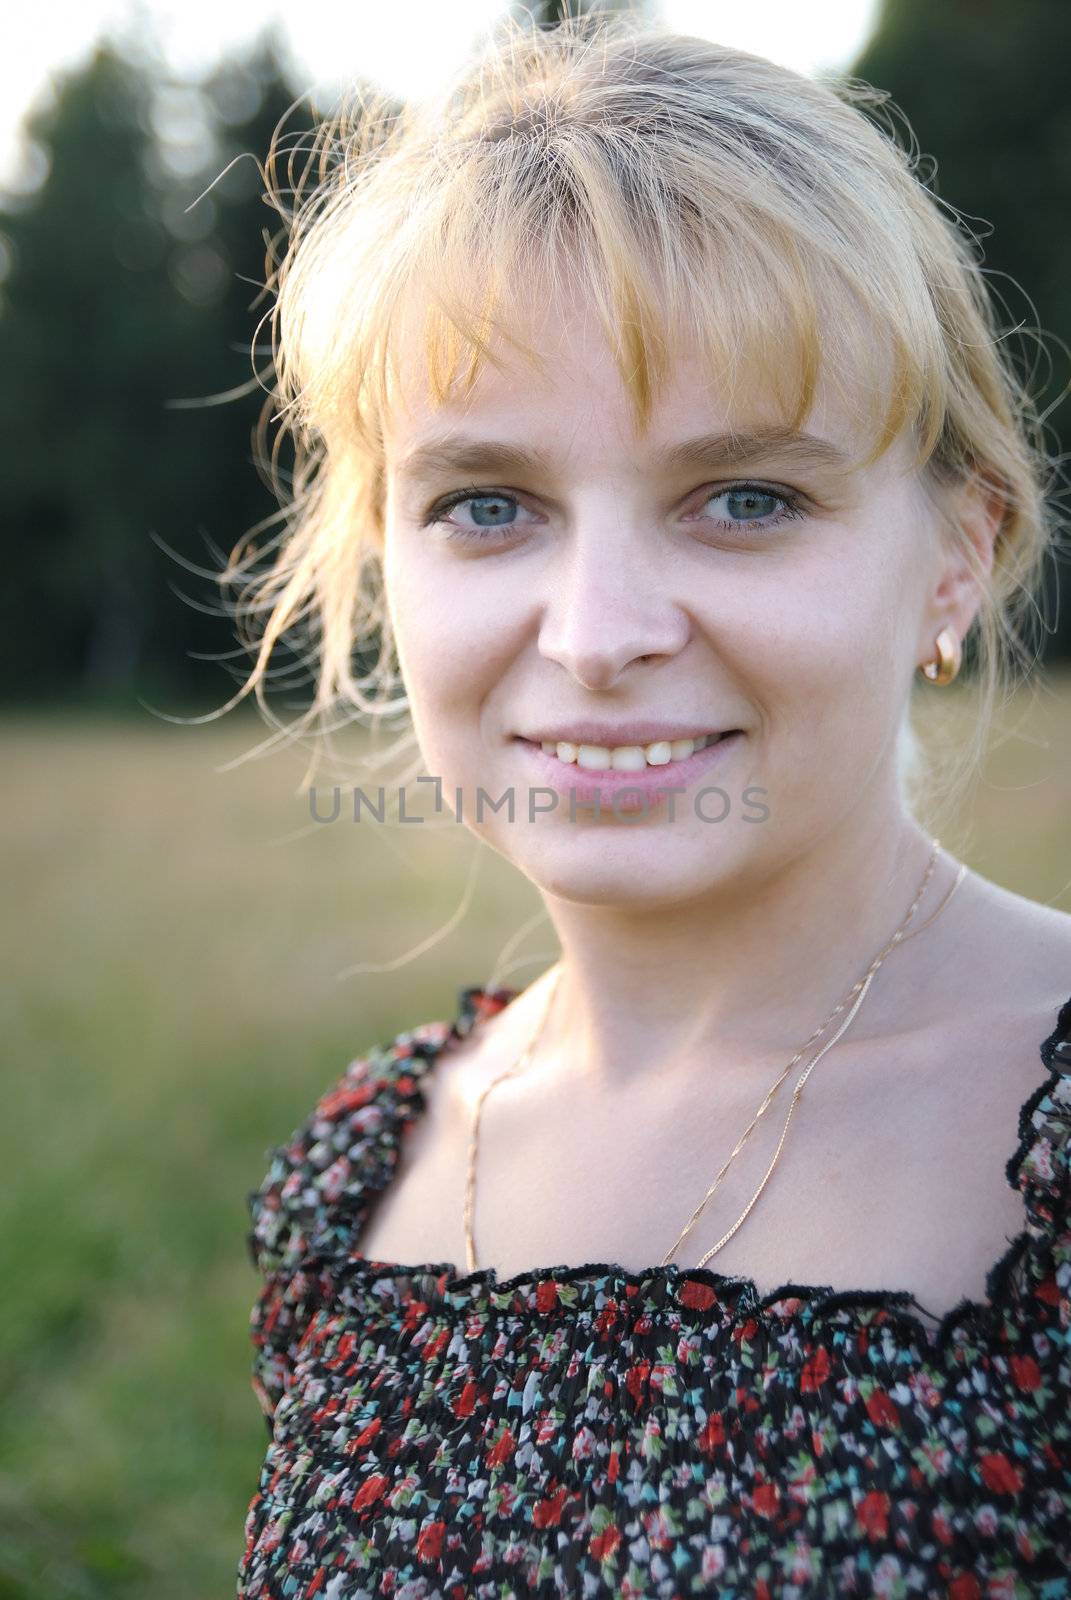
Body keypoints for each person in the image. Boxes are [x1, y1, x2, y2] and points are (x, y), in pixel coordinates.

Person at [228, 11, 1071, 1595]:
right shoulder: (357, 1169)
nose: (599, 632)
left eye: (744, 498)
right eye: (489, 506)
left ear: (956, 553)